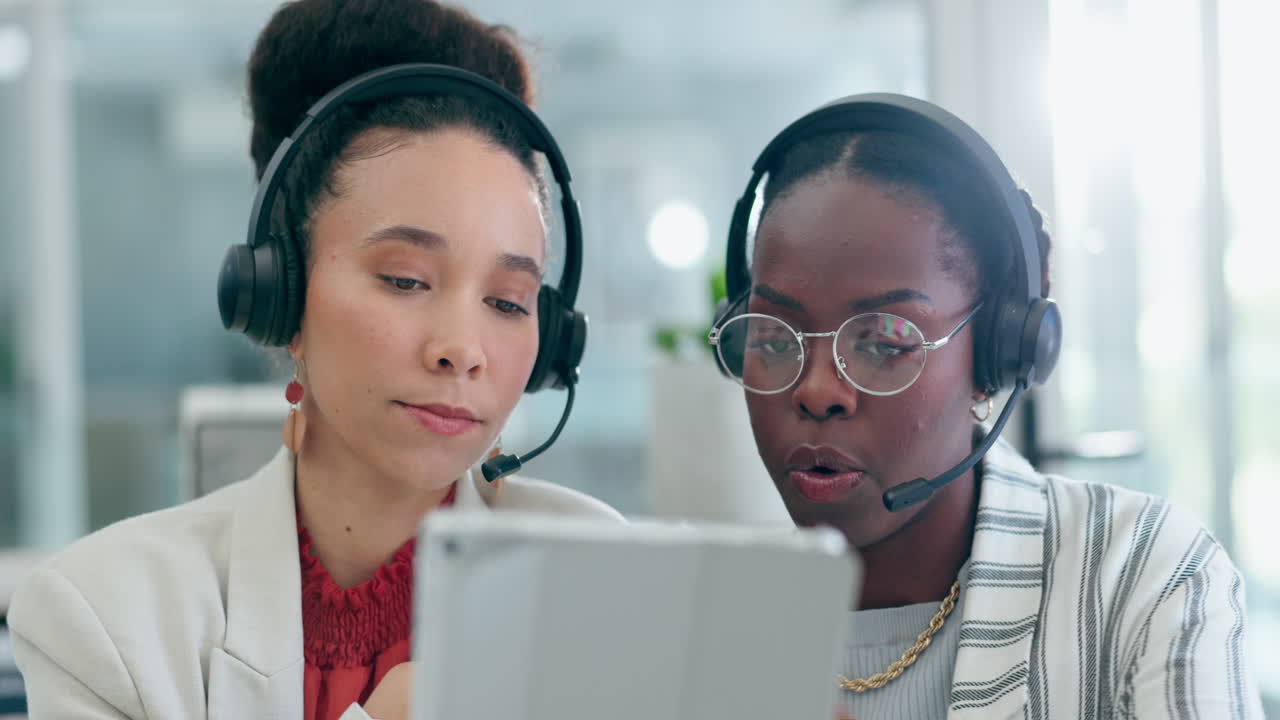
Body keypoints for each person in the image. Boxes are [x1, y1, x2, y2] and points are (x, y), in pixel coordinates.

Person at [8, 1, 620, 718]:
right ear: (283, 296)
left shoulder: (604, 582)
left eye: (508, 302)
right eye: (405, 280)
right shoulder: (104, 619)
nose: (462, 350)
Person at [710, 95, 1264, 718]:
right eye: (774, 339)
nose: (816, 391)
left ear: (995, 356)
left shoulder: (1144, 575)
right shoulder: (696, 624)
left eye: (885, 341)